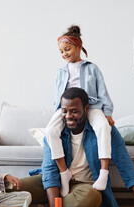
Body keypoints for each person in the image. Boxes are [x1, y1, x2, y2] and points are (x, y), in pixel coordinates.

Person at [20, 88, 134, 207]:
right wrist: (53, 206)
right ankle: (52, 202)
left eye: (74, 111)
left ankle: (47, 202)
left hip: (84, 187)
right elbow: (49, 168)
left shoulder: (105, 130)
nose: (69, 116)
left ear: (86, 108)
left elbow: (124, 163)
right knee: (14, 189)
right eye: (65, 111)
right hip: (54, 182)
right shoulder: (54, 132)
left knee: (90, 199)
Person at [45, 25, 114, 197]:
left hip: (91, 106)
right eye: (61, 51)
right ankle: (64, 173)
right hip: (66, 109)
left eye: (67, 49)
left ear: (78, 47)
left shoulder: (92, 68)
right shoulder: (61, 72)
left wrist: (108, 113)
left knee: (103, 128)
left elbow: (103, 92)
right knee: (50, 131)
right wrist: (58, 112)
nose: (64, 54)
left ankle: (104, 172)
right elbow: (57, 97)